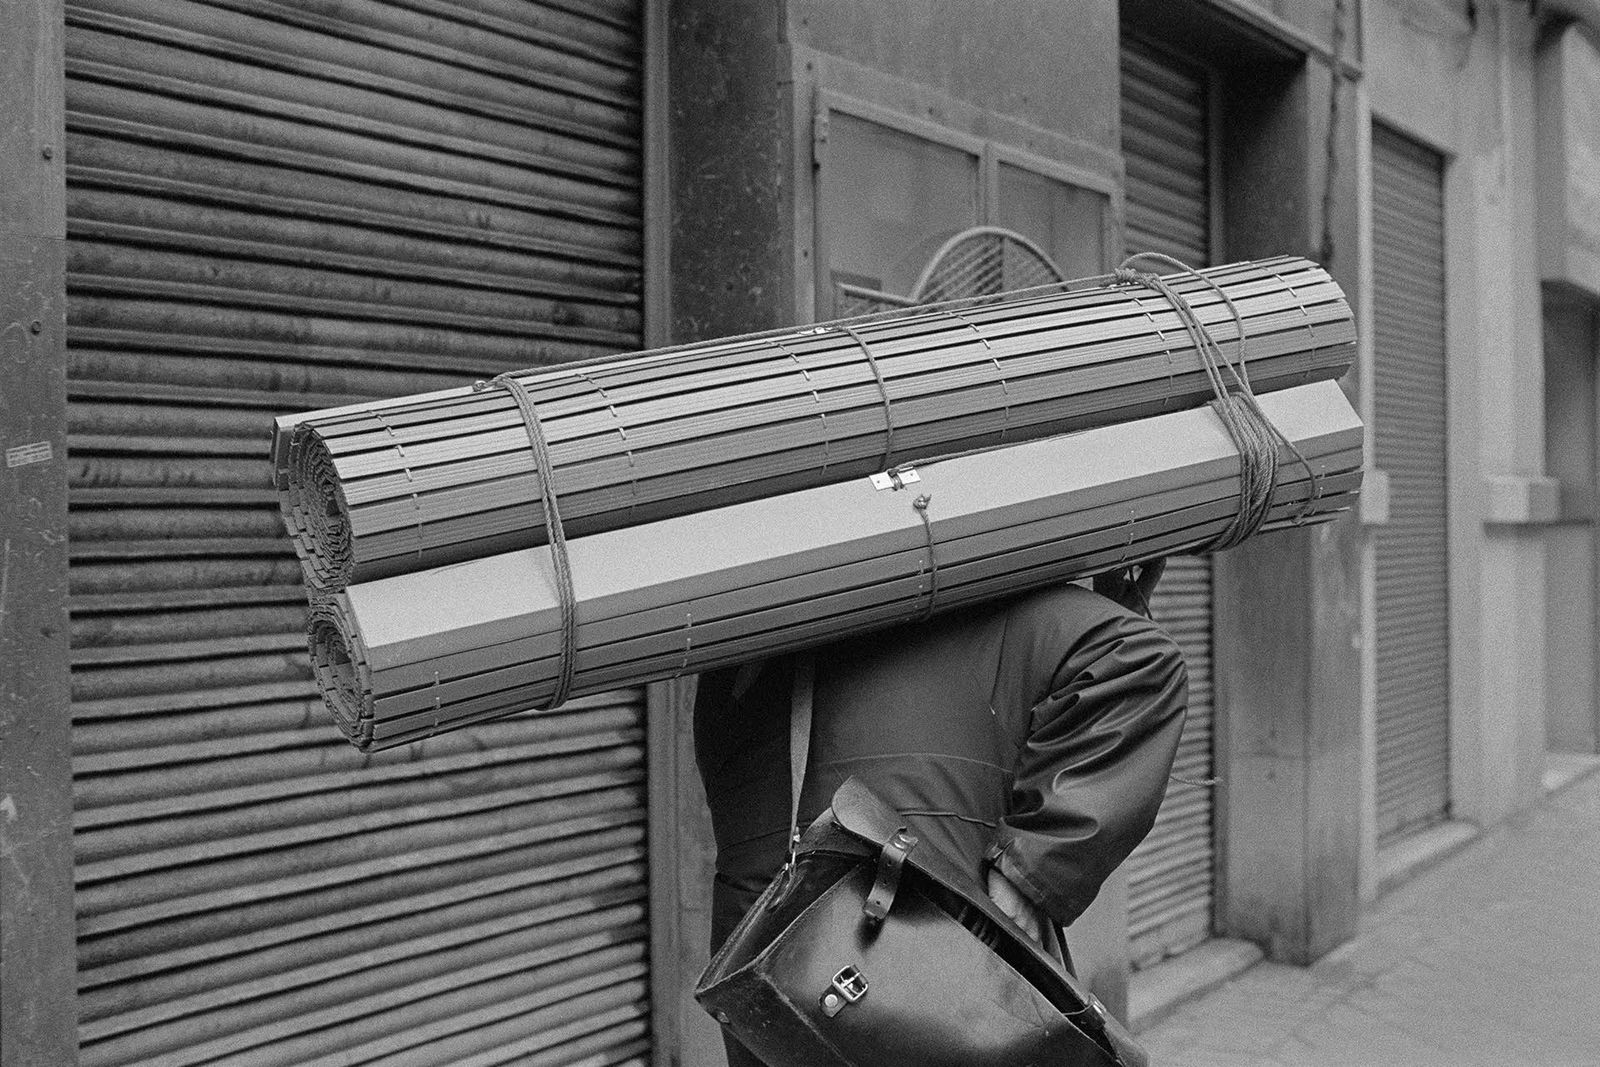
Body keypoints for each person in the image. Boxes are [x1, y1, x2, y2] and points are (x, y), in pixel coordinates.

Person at [693, 570, 1189, 1067]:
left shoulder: (745, 615)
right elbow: (1142, 661)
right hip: (921, 958)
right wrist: (1030, 875)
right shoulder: (1001, 599)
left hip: (785, 967)